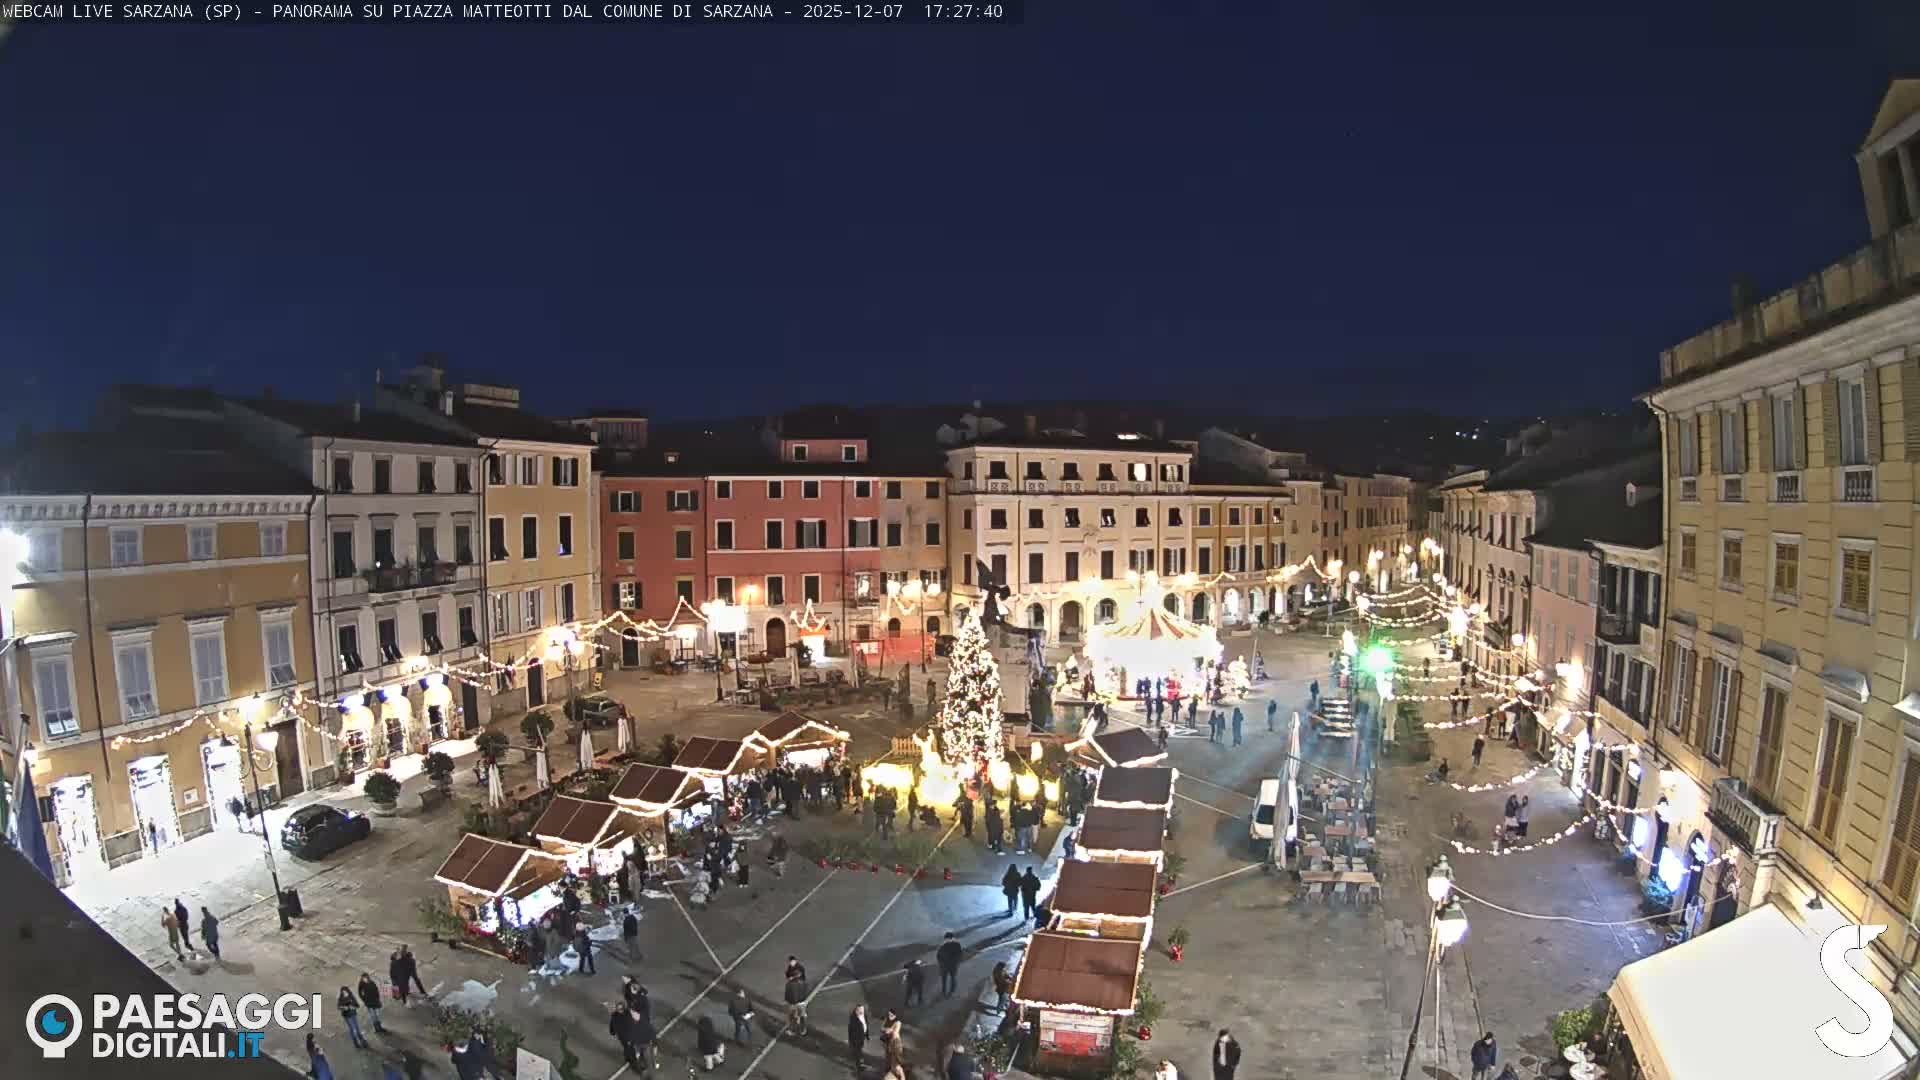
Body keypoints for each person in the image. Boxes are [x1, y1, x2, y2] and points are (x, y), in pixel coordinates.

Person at [783, 965, 810, 1035]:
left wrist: (788, 1002)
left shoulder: (789, 984)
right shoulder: (803, 983)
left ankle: (793, 1030)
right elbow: (806, 992)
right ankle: (803, 1030)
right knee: (802, 1016)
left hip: (793, 1003)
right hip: (801, 1002)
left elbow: (788, 994)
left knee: (792, 1017)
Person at [937, 931, 963, 997]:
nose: (946, 940)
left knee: (950, 978)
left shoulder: (947, 945)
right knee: (950, 978)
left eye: (947, 939)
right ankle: (948, 991)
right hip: (949, 965)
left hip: (948, 965)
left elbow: (939, 956)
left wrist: (941, 963)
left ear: (951, 938)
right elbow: (939, 956)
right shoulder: (955, 945)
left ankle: (947, 991)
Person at [847, 1004, 870, 1073]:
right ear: (856, 1010)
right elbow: (851, 1030)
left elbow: (866, 1025)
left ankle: (860, 1064)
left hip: (862, 1037)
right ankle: (858, 1067)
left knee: (860, 1052)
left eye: (863, 1010)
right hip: (856, 1039)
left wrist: (867, 1036)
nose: (862, 1011)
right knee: (858, 1053)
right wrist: (851, 1041)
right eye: (860, 1010)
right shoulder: (853, 1018)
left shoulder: (864, 1016)